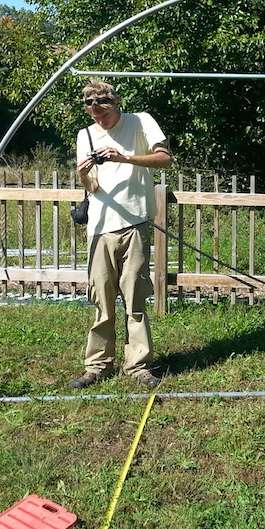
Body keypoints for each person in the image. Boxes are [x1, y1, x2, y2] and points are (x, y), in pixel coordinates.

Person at [69, 80, 173, 390]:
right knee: (102, 300)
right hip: (100, 228)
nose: (99, 118)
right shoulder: (85, 135)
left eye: (104, 111)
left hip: (135, 224)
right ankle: (97, 365)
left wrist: (123, 157)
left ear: (116, 104)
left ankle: (139, 365)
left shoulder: (141, 121)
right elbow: (93, 187)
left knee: (135, 298)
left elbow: (164, 159)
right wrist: (83, 172)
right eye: (93, 113)